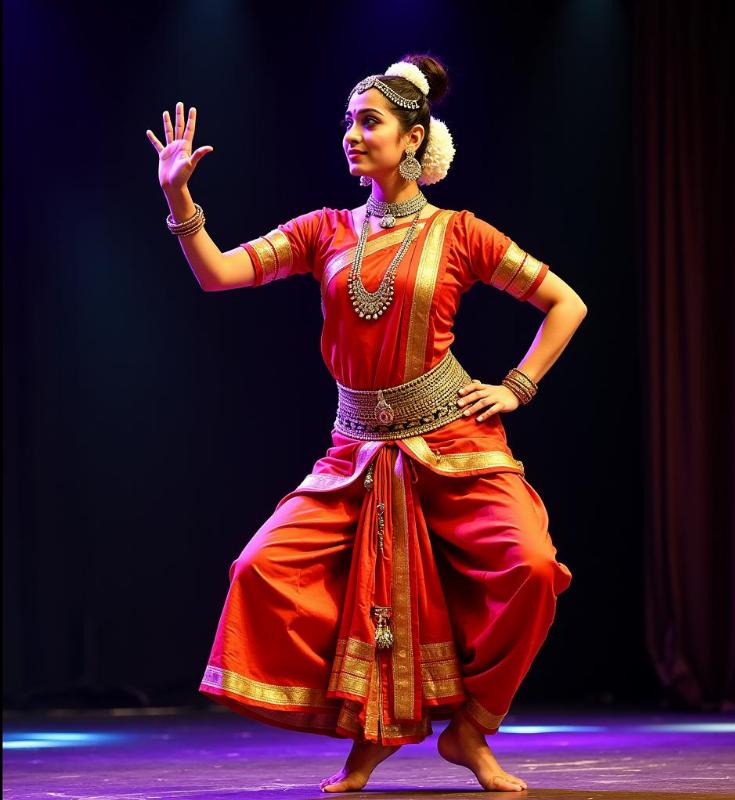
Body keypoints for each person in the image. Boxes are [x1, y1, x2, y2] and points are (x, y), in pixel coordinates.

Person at [146, 53, 586, 794]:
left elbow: (565, 303)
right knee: (259, 569)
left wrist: (517, 385)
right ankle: (371, 739)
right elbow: (217, 274)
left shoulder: (460, 233)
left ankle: (472, 730)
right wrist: (181, 201)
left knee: (533, 569)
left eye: (370, 121)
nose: (352, 134)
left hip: (453, 443)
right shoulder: (325, 230)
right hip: (354, 453)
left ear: (413, 139)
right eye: (348, 121)